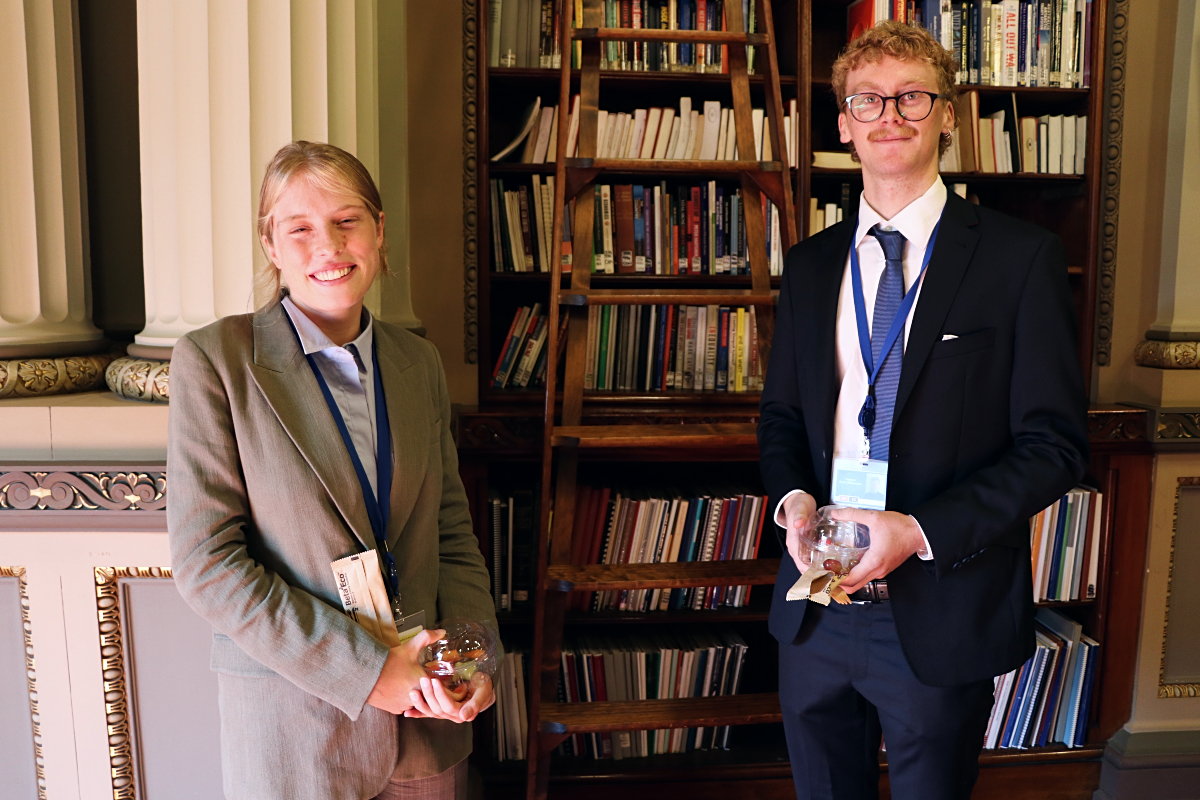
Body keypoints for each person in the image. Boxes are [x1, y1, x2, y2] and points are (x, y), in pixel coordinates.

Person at [758, 22, 1089, 800]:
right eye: (868, 100)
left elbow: (1054, 445)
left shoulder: (1020, 258)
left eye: (912, 96)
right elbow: (780, 419)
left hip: (944, 608)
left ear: (948, 114)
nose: (889, 115)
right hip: (817, 607)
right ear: (842, 123)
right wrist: (794, 499)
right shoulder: (809, 267)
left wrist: (918, 531)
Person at [168, 141, 497, 800]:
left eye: (347, 220)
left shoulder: (419, 363)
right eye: (300, 227)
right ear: (271, 244)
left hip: (426, 731)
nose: (329, 243)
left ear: (378, 230)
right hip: (297, 739)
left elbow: (453, 537)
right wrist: (372, 672)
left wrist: (468, 656)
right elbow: (208, 564)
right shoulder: (214, 361)